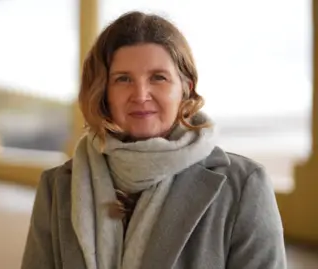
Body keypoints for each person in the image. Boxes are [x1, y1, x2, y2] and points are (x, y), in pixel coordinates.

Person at [21, 11, 286, 269]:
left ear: (185, 87)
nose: (140, 94)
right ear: (104, 92)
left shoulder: (244, 186)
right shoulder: (57, 188)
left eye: (158, 78)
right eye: (123, 79)